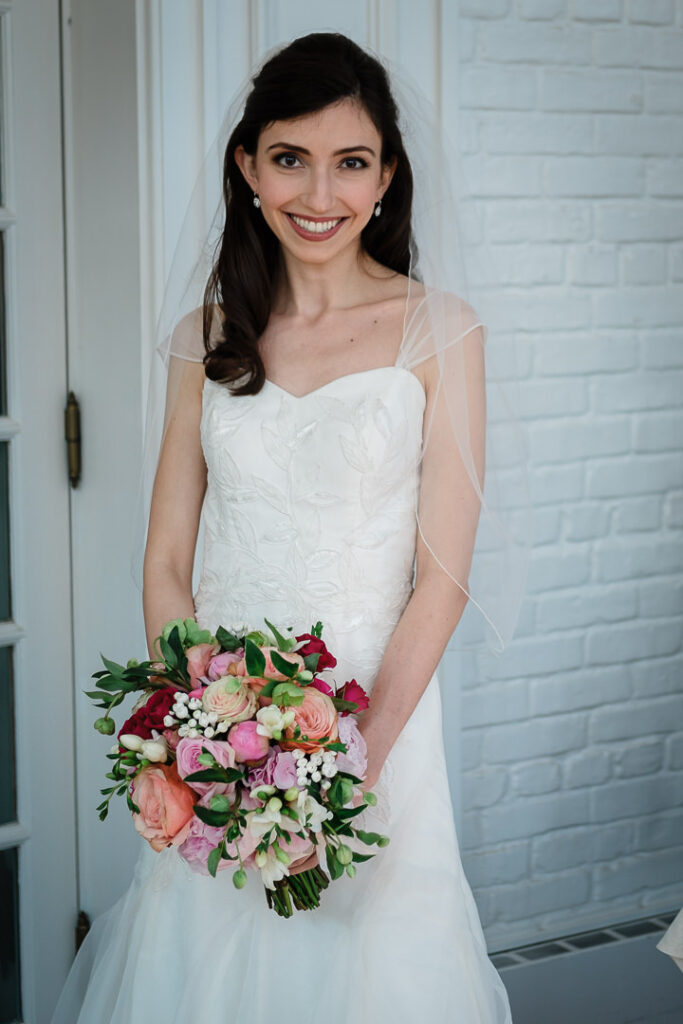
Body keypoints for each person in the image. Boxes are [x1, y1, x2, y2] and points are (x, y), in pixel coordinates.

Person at [51, 31, 527, 1023]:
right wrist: (203, 743)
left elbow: (440, 576)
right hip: (224, 725)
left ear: (386, 175)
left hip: (374, 724)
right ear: (247, 167)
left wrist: (343, 770)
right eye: (289, 158)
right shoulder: (205, 336)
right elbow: (168, 560)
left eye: (350, 161)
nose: (320, 193)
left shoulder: (441, 330)